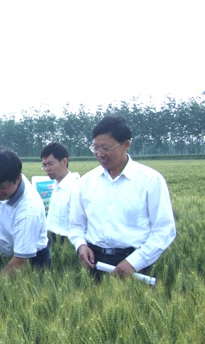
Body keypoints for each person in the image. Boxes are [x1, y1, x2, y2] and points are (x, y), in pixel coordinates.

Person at [69, 115, 176, 279]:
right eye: (95, 148)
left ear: (126, 145)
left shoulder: (150, 180)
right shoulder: (85, 182)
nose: (99, 154)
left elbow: (164, 229)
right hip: (94, 262)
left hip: (136, 265)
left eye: (106, 148)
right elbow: (76, 224)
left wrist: (135, 262)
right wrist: (81, 245)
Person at [0, 149, 50, 278]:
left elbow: (20, 260)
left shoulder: (29, 210)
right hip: (7, 253)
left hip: (30, 260)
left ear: (18, 179)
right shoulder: (0, 185)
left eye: (2, 187)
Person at [40, 142, 80, 244]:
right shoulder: (56, 185)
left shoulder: (75, 188)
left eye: (50, 164)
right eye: (44, 165)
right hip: (51, 240)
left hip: (67, 242)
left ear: (64, 161)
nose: (47, 169)